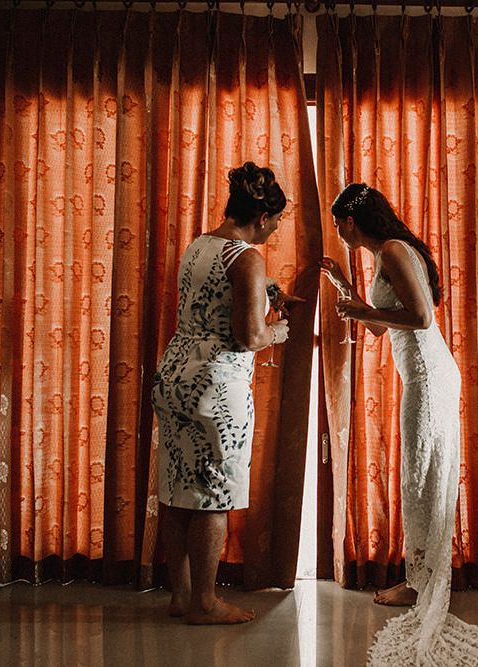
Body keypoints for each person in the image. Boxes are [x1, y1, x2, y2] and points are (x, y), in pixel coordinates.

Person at [321, 184, 478, 665]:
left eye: (337, 225)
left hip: (428, 376)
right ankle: (420, 578)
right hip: (424, 375)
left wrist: (362, 309)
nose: (337, 232)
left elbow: (419, 317)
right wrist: (342, 288)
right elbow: (378, 324)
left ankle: (423, 585)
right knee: (420, 479)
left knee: (422, 480)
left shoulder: (393, 249)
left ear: (351, 223)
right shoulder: (386, 253)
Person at [152, 162, 289, 625]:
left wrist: (269, 293)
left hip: (175, 375)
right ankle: (207, 603)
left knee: (177, 486)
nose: (273, 232)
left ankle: (182, 595)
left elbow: (213, 295)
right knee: (213, 492)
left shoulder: (200, 245)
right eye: (275, 223)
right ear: (263, 219)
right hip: (216, 386)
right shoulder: (247, 256)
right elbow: (250, 336)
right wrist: (280, 329)